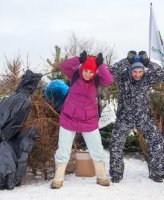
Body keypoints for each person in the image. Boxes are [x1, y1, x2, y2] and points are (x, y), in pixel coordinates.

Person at [50, 51, 114, 189]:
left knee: (97, 148)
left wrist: (100, 64)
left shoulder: (96, 79)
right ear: (82, 68)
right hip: (69, 118)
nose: (88, 74)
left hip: (89, 120)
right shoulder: (74, 74)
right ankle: (58, 178)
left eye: (91, 72)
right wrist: (79, 59)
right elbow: (63, 65)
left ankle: (101, 176)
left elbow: (109, 79)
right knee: (63, 150)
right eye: (86, 70)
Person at [109, 51, 164, 183]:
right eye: (135, 72)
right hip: (125, 117)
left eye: (140, 71)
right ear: (130, 71)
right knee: (116, 144)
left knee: (157, 141)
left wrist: (147, 63)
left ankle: (156, 172)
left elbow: (163, 74)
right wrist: (126, 61)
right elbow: (110, 72)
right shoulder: (123, 77)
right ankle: (116, 173)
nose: (138, 75)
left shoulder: (147, 77)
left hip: (144, 117)